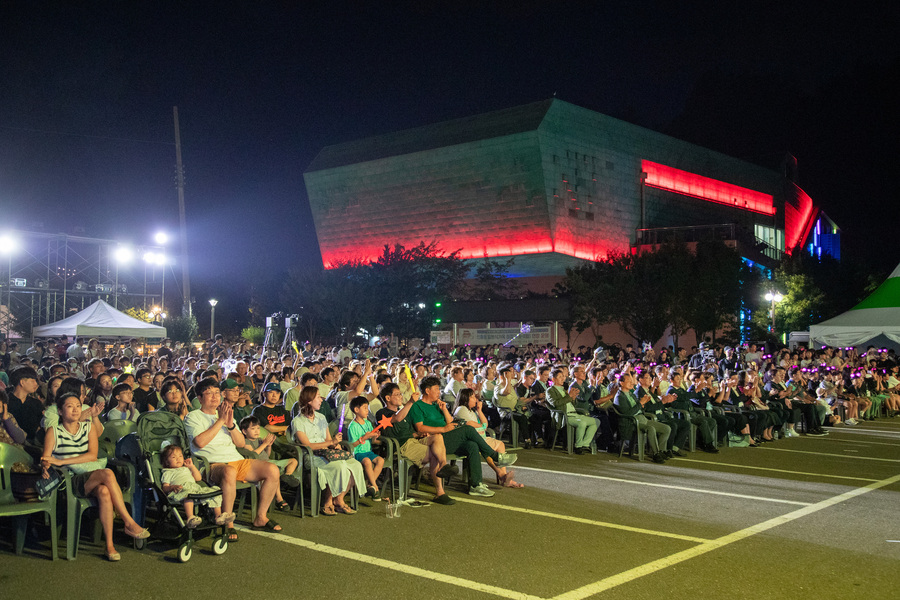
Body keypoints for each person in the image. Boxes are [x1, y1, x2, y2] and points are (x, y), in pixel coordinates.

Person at [42, 392, 149, 560]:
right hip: (71, 481)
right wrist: (47, 465)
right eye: (70, 406)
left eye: (78, 406)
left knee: (105, 492)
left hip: (90, 475)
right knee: (107, 473)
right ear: (61, 411)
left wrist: (62, 460)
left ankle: (109, 546)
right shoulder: (53, 432)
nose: (76, 410)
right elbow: (46, 458)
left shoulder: (88, 427)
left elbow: (92, 455)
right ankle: (128, 521)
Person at [184, 378, 283, 542]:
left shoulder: (225, 414)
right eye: (209, 393)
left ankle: (260, 517)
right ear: (200, 398)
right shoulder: (193, 417)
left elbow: (241, 443)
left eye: (217, 393)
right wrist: (221, 421)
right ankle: (227, 523)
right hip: (212, 464)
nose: (215, 397)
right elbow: (199, 442)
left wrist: (230, 425)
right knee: (229, 471)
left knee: (272, 469)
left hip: (236, 460)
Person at [410, 376, 516, 499]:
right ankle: (494, 456)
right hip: (433, 441)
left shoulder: (436, 405)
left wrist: (444, 409)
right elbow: (420, 428)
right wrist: (443, 429)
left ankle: (475, 485)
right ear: (427, 390)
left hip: (446, 439)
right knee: (468, 429)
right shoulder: (417, 406)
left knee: (472, 445)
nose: (439, 392)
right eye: (437, 389)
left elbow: (450, 422)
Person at [290, 385, 365, 516]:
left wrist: (335, 444)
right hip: (312, 456)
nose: (321, 400)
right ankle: (328, 502)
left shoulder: (321, 417)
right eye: (318, 397)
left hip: (327, 453)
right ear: (309, 401)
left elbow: (329, 439)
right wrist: (331, 442)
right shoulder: (298, 421)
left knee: (356, 465)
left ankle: (339, 499)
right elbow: (307, 445)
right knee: (339, 466)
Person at [452, 388, 522, 487]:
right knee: (487, 448)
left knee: (500, 445)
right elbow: (471, 425)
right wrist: (481, 426)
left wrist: (479, 411)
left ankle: (503, 475)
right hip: (471, 440)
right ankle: (502, 476)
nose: (475, 399)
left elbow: (485, 425)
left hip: (480, 437)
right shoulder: (461, 409)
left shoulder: (472, 411)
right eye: (472, 397)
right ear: (465, 398)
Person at [160, 444, 230, 528]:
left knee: (215, 491)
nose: (178, 459)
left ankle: (218, 516)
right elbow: (165, 487)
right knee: (188, 495)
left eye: (180, 456)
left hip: (195, 488)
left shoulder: (186, 468)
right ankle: (190, 518)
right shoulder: (167, 472)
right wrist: (172, 487)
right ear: (167, 462)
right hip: (182, 490)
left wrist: (192, 467)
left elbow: (198, 478)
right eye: (174, 457)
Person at [240, 415, 299, 511]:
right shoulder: (245, 442)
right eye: (253, 429)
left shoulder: (259, 440)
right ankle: (279, 499)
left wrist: (268, 446)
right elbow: (254, 455)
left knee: (293, 461)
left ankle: (287, 476)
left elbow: (267, 455)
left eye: (258, 428)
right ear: (244, 431)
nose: (257, 431)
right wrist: (265, 444)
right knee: (273, 472)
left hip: (269, 462)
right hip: (259, 466)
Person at [545, 368, 598, 454]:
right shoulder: (550, 391)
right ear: (553, 379)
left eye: (563, 376)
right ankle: (578, 446)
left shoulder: (563, 390)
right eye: (560, 377)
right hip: (564, 416)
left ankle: (585, 444)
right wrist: (569, 396)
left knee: (596, 421)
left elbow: (571, 403)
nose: (563, 378)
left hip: (573, 414)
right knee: (582, 423)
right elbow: (556, 403)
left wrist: (573, 398)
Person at [346, 395, 385, 499]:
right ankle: (375, 487)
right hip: (358, 453)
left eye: (367, 408)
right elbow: (352, 445)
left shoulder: (368, 423)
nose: (367, 411)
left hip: (368, 451)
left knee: (380, 460)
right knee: (367, 461)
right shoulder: (353, 426)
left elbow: (372, 441)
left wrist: (375, 436)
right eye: (364, 408)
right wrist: (364, 437)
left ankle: (370, 485)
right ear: (356, 409)